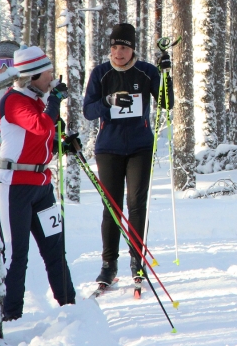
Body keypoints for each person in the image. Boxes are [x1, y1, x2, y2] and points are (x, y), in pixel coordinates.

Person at [83, 23, 174, 285]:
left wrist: (166, 73)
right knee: (111, 207)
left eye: (123, 47)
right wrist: (108, 101)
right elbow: (88, 111)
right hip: (108, 148)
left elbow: (167, 103)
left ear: (132, 49)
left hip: (140, 147)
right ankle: (108, 264)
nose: (118, 52)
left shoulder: (145, 72)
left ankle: (137, 260)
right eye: (114, 47)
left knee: (136, 204)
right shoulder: (101, 73)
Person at [0, 46, 75, 321]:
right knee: (17, 255)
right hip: (15, 186)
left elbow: (43, 138)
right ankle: (11, 315)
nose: (53, 78)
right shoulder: (14, 101)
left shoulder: (39, 100)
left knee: (55, 248)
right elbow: (41, 126)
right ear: (32, 76)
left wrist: (61, 144)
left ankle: (71, 308)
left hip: (42, 186)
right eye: (49, 73)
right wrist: (55, 101)